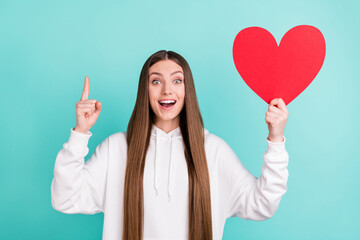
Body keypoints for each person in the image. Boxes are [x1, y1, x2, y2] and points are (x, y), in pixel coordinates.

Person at [51, 50, 289, 240]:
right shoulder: (116, 149)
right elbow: (65, 198)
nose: (167, 90)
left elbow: (263, 204)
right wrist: (80, 134)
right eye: (156, 81)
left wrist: (276, 139)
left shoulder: (213, 150)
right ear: (145, 90)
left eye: (177, 80)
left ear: (187, 90)